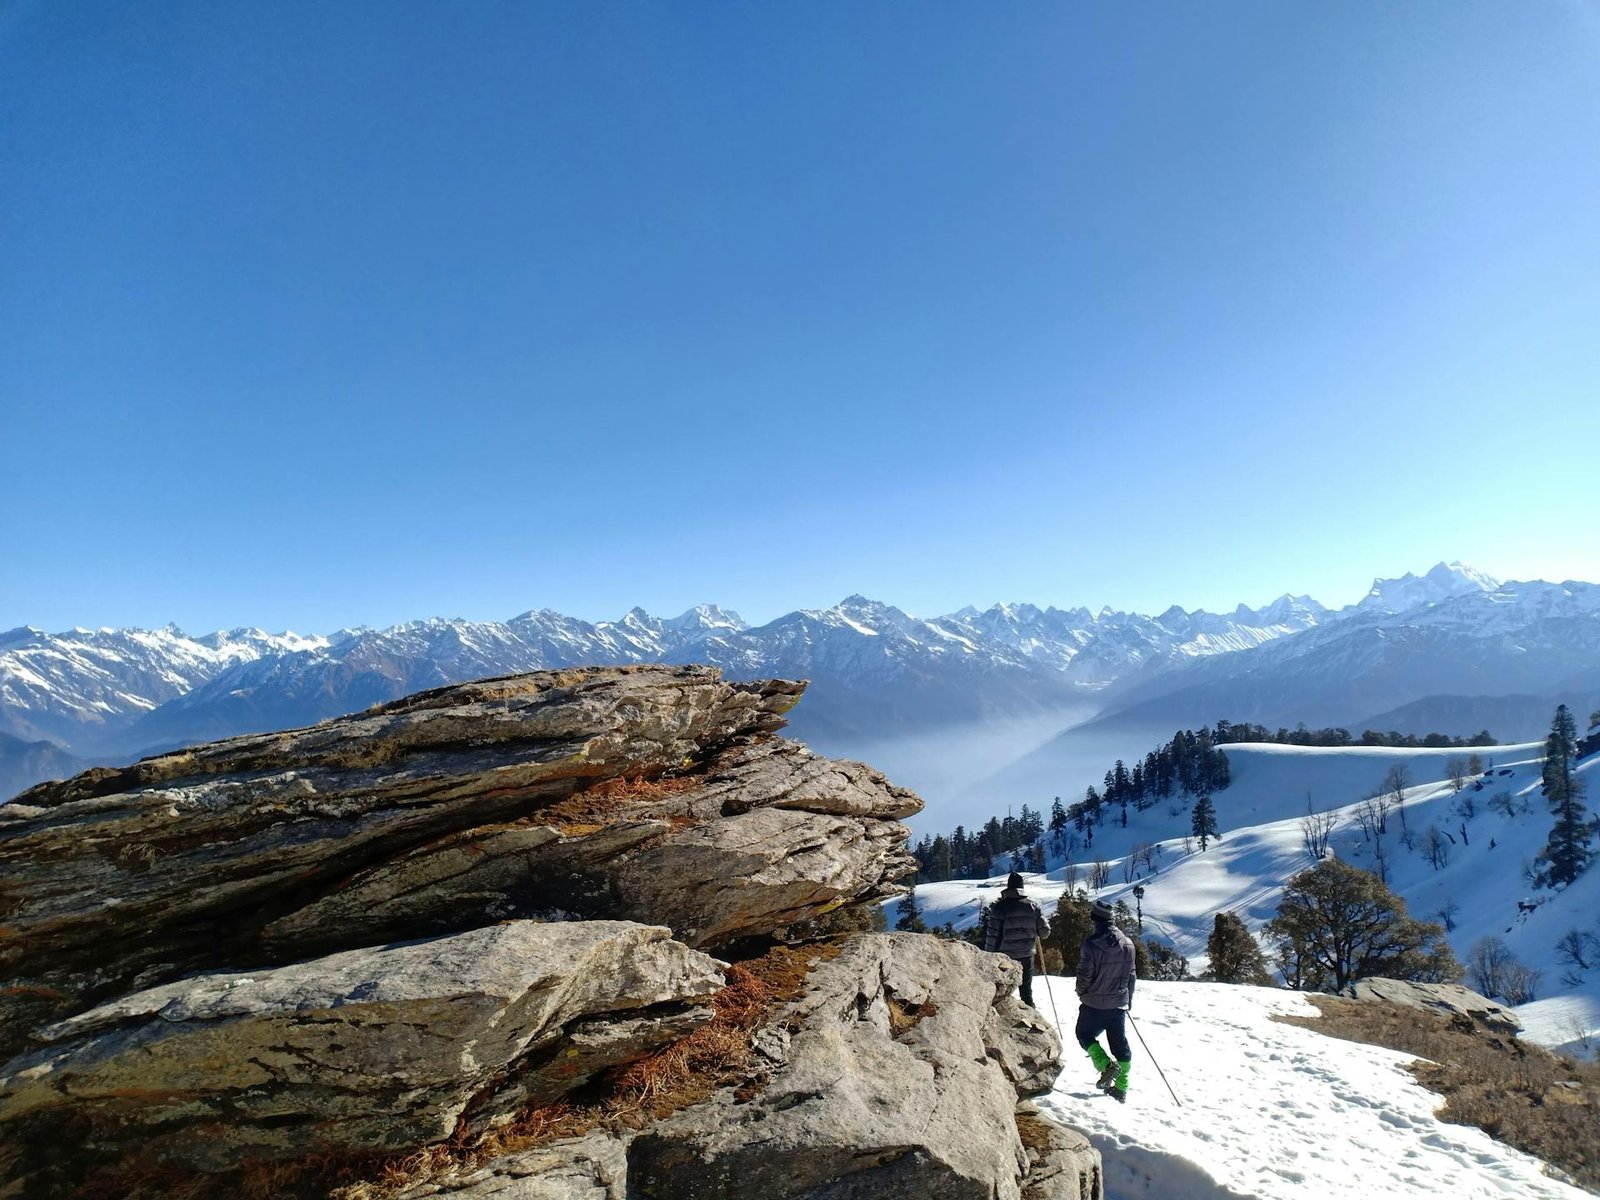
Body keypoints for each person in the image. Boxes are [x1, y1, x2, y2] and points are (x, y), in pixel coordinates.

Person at [1076, 897, 1136, 1102]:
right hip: (1119, 1002)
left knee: (1084, 1034)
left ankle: (1106, 1066)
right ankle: (1121, 1088)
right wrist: (1129, 998)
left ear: (1094, 918)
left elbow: (1084, 976)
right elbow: (1131, 975)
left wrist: (1081, 993)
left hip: (1093, 1002)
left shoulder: (1091, 944)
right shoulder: (1128, 944)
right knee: (1120, 1045)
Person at [983, 871, 1051, 1006]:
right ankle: (1030, 1016)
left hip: (1004, 957)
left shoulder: (999, 907)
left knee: (1000, 991)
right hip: (1026, 955)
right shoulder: (1033, 906)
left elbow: (992, 936)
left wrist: (988, 956)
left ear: (1008, 887)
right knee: (1026, 991)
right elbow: (1045, 933)